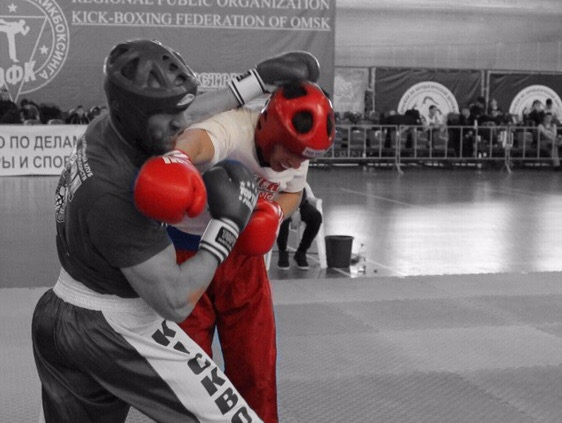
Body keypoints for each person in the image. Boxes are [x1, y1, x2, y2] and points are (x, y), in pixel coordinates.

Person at [30, 39, 277, 423]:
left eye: (179, 109)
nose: (182, 123)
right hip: (114, 326)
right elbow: (176, 301)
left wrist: (255, 82)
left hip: (58, 313)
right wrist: (226, 226)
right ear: (132, 112)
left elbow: (183, 112)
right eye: (167, 115)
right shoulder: (118, 194)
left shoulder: (110, 127)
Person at [134, 80, 335, 423]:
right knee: (190, 370)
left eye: (303, 157)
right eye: (291, 153)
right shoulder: (234, 127)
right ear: (270, 129)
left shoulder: (299, 151)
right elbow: (198, 140)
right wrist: (177, 159)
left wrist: (275, 214)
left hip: (243, 259)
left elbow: (294, 191)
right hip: (186, 257)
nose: (295, 162)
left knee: (255, 364)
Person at [276, 183, 322, 270]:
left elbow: (301, 190)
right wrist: (292, 211)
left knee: (316, 217)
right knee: (283, 218)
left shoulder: (298, 175)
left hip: (299, 203)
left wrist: (297, 209)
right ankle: (283, 251)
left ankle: (301, 252)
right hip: (280, 203)